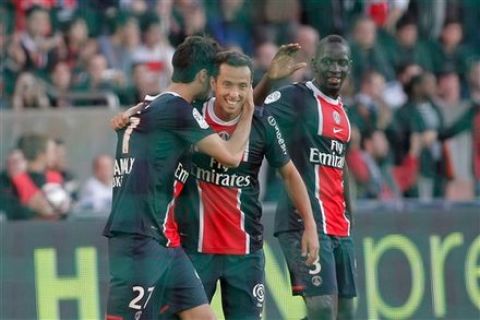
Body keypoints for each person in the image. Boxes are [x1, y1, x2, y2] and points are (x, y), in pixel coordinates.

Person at [103, 35, 254, 320]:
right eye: (213, 78)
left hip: (165, 241)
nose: (213, 86)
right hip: (138, 238)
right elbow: (232, 156)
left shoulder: (149, 105)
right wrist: (248, 111)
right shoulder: (176, 109)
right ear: (202, 76)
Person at [172, 50, 318, 319]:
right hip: (194, 250)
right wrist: (130, 115)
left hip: (245, 253)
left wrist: (310, 224)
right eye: (227, 84)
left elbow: (289, 174)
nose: (234, 94)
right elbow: (156, 112)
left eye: (242, 86)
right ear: (213, 83)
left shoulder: (263, 123)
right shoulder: (191, 116)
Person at [256, 35, 357, 319]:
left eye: (341, 63)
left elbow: (340, 166)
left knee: (346, 312)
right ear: (314, 64)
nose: (335, 69)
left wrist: (350, 216)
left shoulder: (343, 112)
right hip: (302, 222)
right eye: (327, 62)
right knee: (322, 309)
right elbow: (250, 111)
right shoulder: (295, 97)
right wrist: (268, 81)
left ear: (349, 66)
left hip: (339, 226)